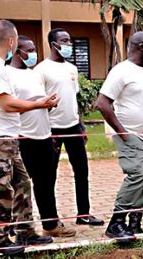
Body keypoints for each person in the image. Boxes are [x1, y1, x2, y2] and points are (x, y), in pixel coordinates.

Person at [0, 20, 57, 255]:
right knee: (0, 188)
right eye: (17, 40)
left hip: (6, 137)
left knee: (22, 183)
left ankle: (24, 231)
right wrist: (38, 104)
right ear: (11, 41)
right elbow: (7, 104)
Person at [7, 35, 76, 238]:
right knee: (19, 184)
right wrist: (37, 104)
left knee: (46, 182)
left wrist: (48, 104)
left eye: (34, 49)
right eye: (29, 50)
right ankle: (14, 226)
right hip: (23, 136)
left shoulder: (34, 74)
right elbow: (8, 107)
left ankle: (50, 223)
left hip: (44, 134)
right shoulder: (7, 75)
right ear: (17, 51)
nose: (33, 54)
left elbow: (38, 102)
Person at [35, 28, 103, 228]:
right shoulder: (41, 70)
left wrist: (81, 125)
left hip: (73, 127)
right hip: (52, 130)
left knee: (82, 171)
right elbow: (39, 103)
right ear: (53, 44)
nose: (69, 44)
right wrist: (46, 132)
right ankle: (52, 218)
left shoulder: (72, 68)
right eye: (64, 41)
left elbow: (74, 99)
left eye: (69, 41)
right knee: (49, 175)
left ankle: (84, 214)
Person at [96, 32, 143, 242]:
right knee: (137, 175)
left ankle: (134, 222)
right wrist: (122, 133)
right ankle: (116, 223)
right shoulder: (121, 71)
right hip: (130, 135)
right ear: (141, 46)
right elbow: (102, 103)